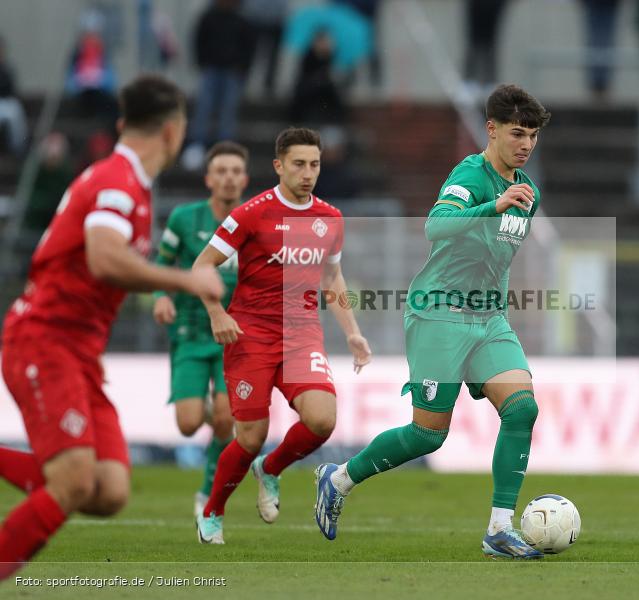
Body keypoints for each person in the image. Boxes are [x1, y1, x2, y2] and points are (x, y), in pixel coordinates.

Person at [0, 75, 224, 579]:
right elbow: (104, 259)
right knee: (75, 482)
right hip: (46, 339)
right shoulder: (119, 183)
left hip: (79, 351)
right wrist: (186, 280)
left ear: (125, 124)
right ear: (174, 132)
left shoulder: (124, 183)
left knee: (108, 489)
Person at [314, 84, 551, 560]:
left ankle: (500, 529)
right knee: (429, 434)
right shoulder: (470, 175)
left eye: (533, 136)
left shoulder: (528, 192)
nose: (526, 144)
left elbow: (498, 257)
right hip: (439, 312)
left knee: (522, 409)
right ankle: (337, 478)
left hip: (488, 318)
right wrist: (492, 208)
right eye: (517, 133)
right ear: (492, 130)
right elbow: (436, 226)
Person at [194, 127, 372, 544]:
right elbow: (202, 266)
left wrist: (353, 333)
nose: (308, 173)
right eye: (298, 164)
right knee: (250, 437)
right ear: (278, 166)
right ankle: (213, 511)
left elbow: (332, 277)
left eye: (314, 164)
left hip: (302, 333)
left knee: (322, 419)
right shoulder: (251, 214)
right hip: (250, 333)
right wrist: (217, 311)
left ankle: (270, 469)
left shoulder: (330, 219)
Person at [152, 142, 249, 517]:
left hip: (235, 336)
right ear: (209, 179)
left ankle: (208, 493)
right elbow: (162, 263)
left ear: (244, 179)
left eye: (234, 171)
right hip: (190, 334)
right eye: (221, 171)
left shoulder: (255, 221)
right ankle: (218, 415)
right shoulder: (183, 219)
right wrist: (162, 295)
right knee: (189, 424)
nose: (228, 178)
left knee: (225, 416)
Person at [181, 0, 255, 171]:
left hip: (232, 71)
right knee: (204, 107)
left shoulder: (242, 20)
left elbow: (249, 45)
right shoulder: (208, 17)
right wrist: (202, 62)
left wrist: (243, 68)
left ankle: (225, 148)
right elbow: (199, 39)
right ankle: (197, 144)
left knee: (228, 110)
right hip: (211, 69)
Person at [0, 37, 27, 155]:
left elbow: (11, 89)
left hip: (5, 102)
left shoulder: (8, 68)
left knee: (15, 110)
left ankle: (18, 147)